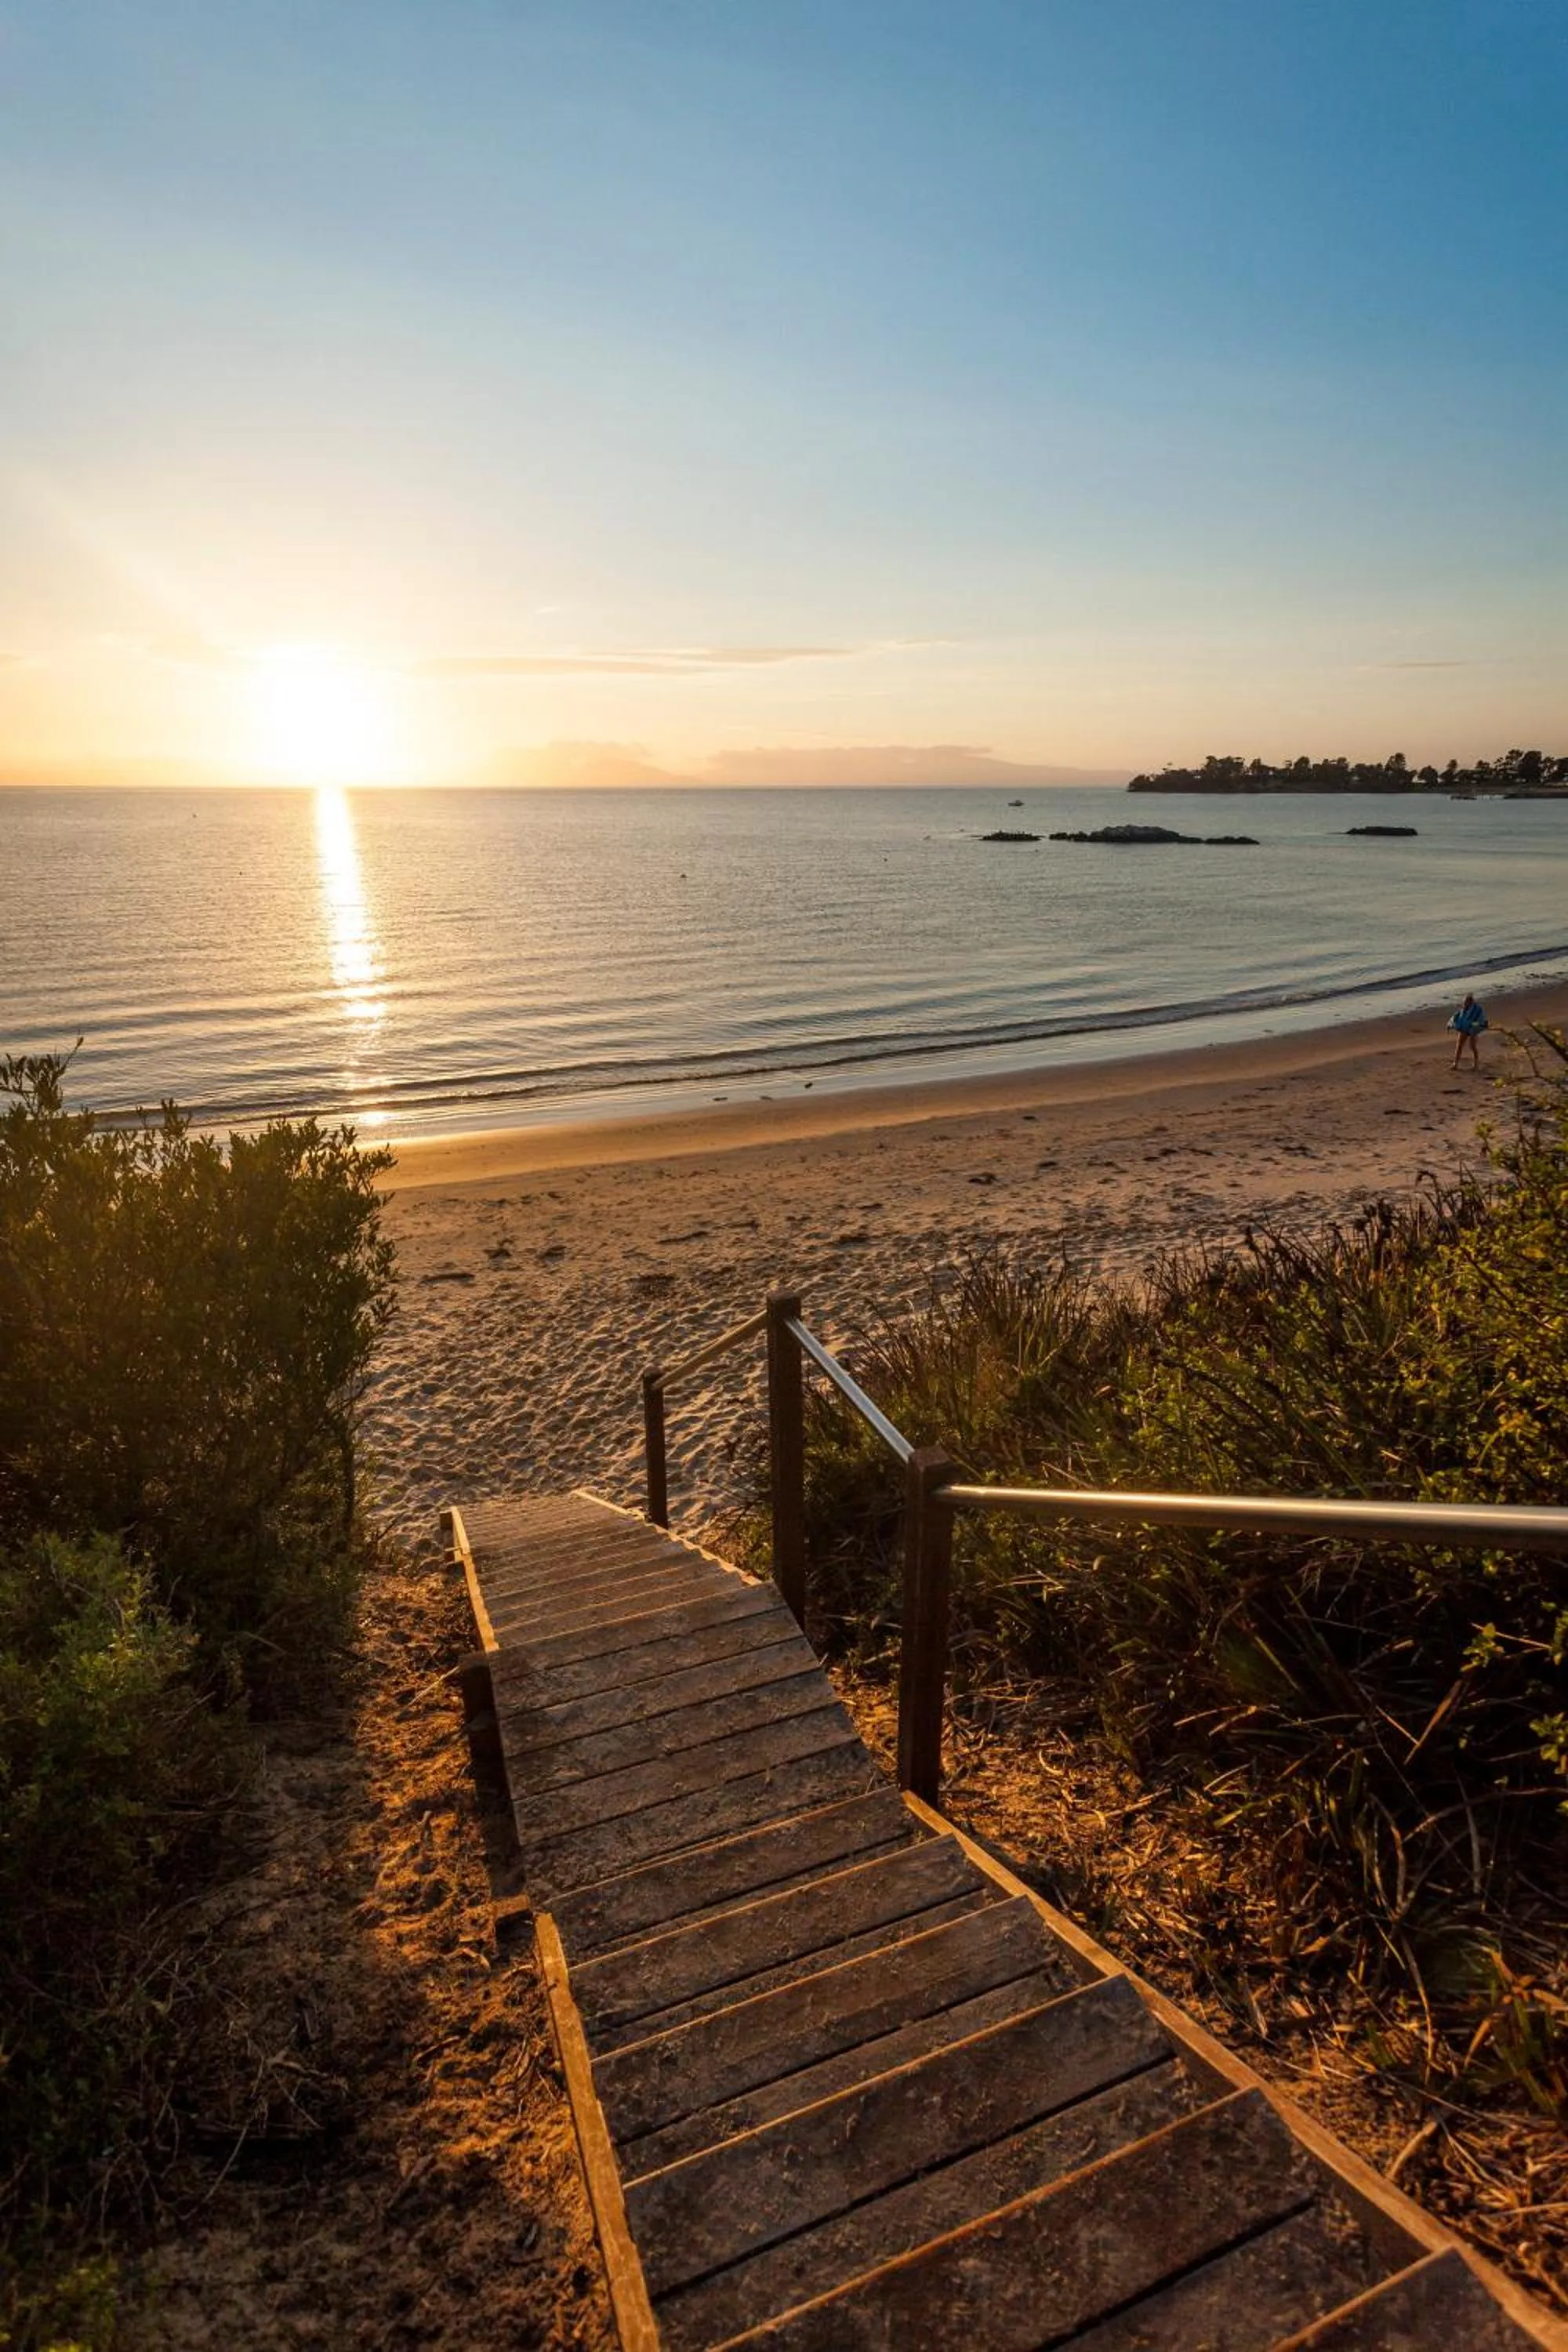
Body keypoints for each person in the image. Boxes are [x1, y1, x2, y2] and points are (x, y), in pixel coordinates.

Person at [1448, 991, 1488, 1069]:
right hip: (1463, 1029)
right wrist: (1450, 1024)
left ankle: (1476, 1064)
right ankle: (1455, 1064)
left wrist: (1472, 1025)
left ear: (1471, 1002)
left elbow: (1481, 1022)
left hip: (1473, 1030)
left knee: (1472, 1046)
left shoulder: (1478, 1010)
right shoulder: (1463, 1009)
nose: (1464, 1003)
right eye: (1464, 1002)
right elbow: (1456, 1018)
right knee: (1459, 1046)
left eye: (1466, 1002)